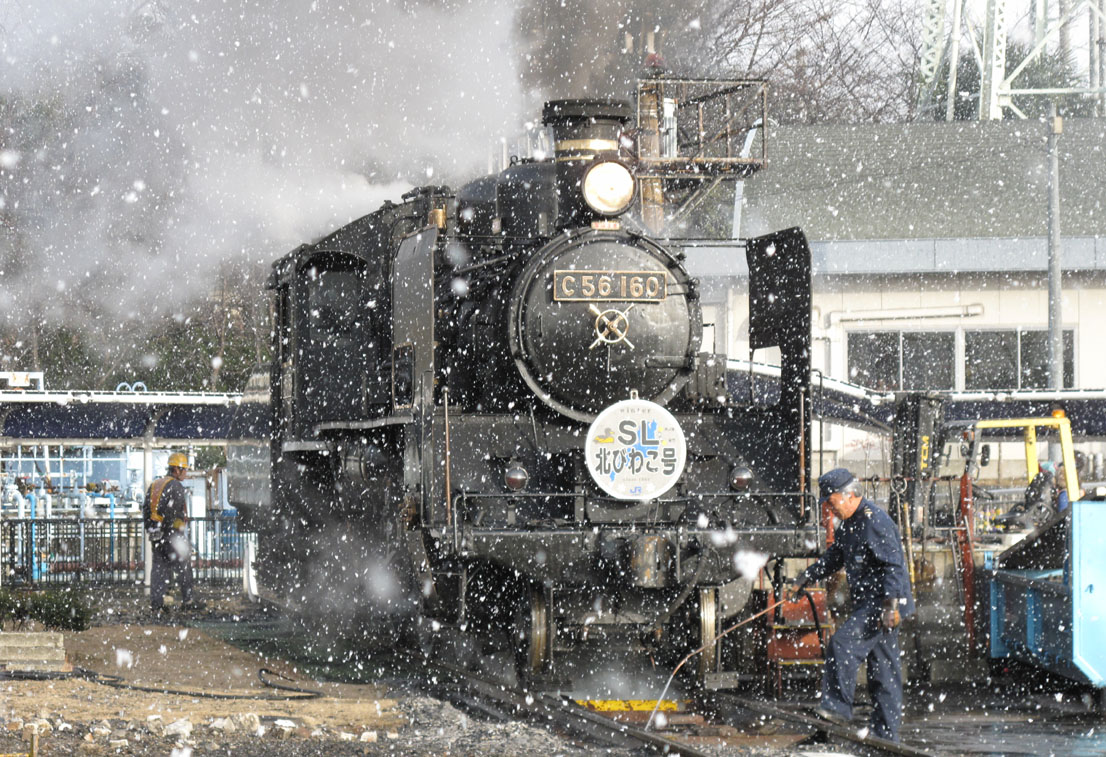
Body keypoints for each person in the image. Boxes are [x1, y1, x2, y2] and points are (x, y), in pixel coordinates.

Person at [790, 468, 915, 742]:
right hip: (872, 604)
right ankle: (885, 737)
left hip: (881, 603)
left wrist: (890, 607)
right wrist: (806, 577)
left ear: (848, 495)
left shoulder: (874, 521)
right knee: (883, 672)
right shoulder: (850, 523)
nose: (830, 509)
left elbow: (892, 567)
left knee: (842, 643)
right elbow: (836, 556)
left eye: (832, 503)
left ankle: (836, 710)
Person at [143, 452, 198, 613]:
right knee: (183, 566)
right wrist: (177, 529)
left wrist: (152, 529)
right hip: (171, 535)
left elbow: (146, 509)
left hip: (156, 534)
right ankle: (188, 601)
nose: (186, 473)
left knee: (159, 569)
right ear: (176, 469)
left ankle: (157, 604)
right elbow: (174, 512)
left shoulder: (155, 484)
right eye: (184, 470)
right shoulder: (176, 486)